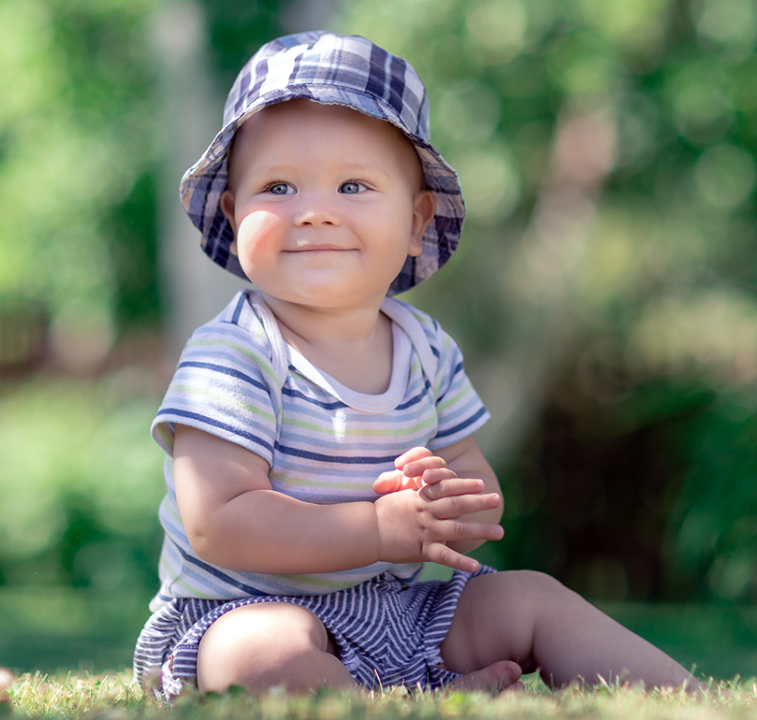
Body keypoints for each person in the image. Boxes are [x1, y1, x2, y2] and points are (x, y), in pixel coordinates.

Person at [133, 31, 701, 699]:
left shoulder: (425, 347)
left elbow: (476, 490)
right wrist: (377, 529)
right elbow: (217, 521)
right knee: (264, 652)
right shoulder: (235, 352)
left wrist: (444, 502)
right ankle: (400, 703)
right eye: (278, 186)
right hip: (243, 611)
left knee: (530, 597)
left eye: (353, 185)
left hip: (395, 616)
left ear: (415, 220)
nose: (315, 212)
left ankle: (689, 701)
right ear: (233, 212)